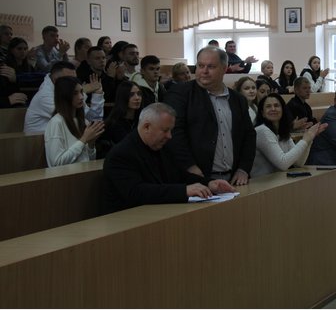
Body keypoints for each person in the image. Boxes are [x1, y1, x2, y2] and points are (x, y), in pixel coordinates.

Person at [103, 103, 235, 214]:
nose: (169, 136)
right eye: (165, 130)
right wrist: (184, 191)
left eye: (171, 130)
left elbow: (180, 176)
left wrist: (209, 183)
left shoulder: (162, 148)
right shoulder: (121, 155)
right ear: (146, 127)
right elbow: (136, 192)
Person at [164, 46, 256, 185]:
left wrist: (243, 169)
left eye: (211, 67)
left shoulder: (238, 100)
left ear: (224, 68)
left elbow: (249, 135)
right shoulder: (180, 94)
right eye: (200, 66)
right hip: (195, 179)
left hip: (234, 179)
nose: (204, 71)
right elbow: (174, 133)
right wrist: (189, 166)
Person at [252, 93, 326, 177]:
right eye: (268, 106)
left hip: (278, 180)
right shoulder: (262, 131)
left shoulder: (282, 131)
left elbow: (298, 162)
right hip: (261, 182)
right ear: (262, 113)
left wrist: (310, 138)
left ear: (283, 110)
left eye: (276, 105)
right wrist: (305, 140)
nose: (273, 109)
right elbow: (283, 164)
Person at [24, 61, 105, 133]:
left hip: (67, 137)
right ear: (56, 80)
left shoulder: (69, 92)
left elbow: (92, 119)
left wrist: (97, 94)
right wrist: (83, 91)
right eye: (69, 80)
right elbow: (73, 119)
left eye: (75, 79)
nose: (74, 83)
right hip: (38, 141)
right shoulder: (45, 96)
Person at [44, 76, 105, 167]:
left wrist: (91, 144)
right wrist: (84, 139)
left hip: (84, 173)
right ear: (64, 96)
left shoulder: (83, 121)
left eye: (81, 92)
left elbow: (90, 160)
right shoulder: (56, 123)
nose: (81, 97)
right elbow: (56, 163)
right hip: (65, 175)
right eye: (75, 93)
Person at [98, 81, 143, 158]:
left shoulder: (143, 119)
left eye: (139, 94)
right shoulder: (112, 123)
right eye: (131, 94)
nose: (137, 98)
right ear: (123, 97)